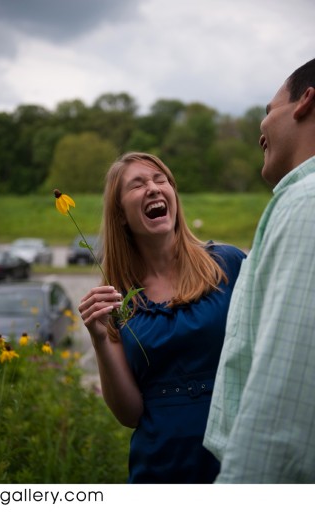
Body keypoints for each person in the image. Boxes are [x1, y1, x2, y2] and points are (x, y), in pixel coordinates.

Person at [78, 153, 245, 483]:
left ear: (173, 195)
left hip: (234, 455)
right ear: (121, 215)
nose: (153, 188)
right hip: (159, 467)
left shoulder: (228, 265)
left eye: (160, 180)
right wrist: (99, 338)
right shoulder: (116, 300)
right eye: (138, 185)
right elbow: (129, 413)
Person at [203, 58, 315, 482]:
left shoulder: (306, 204)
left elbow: (284, 410)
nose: (260, 130)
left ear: (305, 101)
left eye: (269, 110)